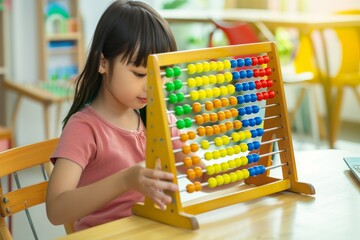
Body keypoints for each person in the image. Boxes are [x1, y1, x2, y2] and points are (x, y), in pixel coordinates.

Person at [46, 0, 182, 231]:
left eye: (161, 75)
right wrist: (126, 180)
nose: (152, 86)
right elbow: (56, 210)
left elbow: (200, 175)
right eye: (140, 74)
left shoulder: (162, 120)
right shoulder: (85, 128)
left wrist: (248, 165)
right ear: (103, 63)